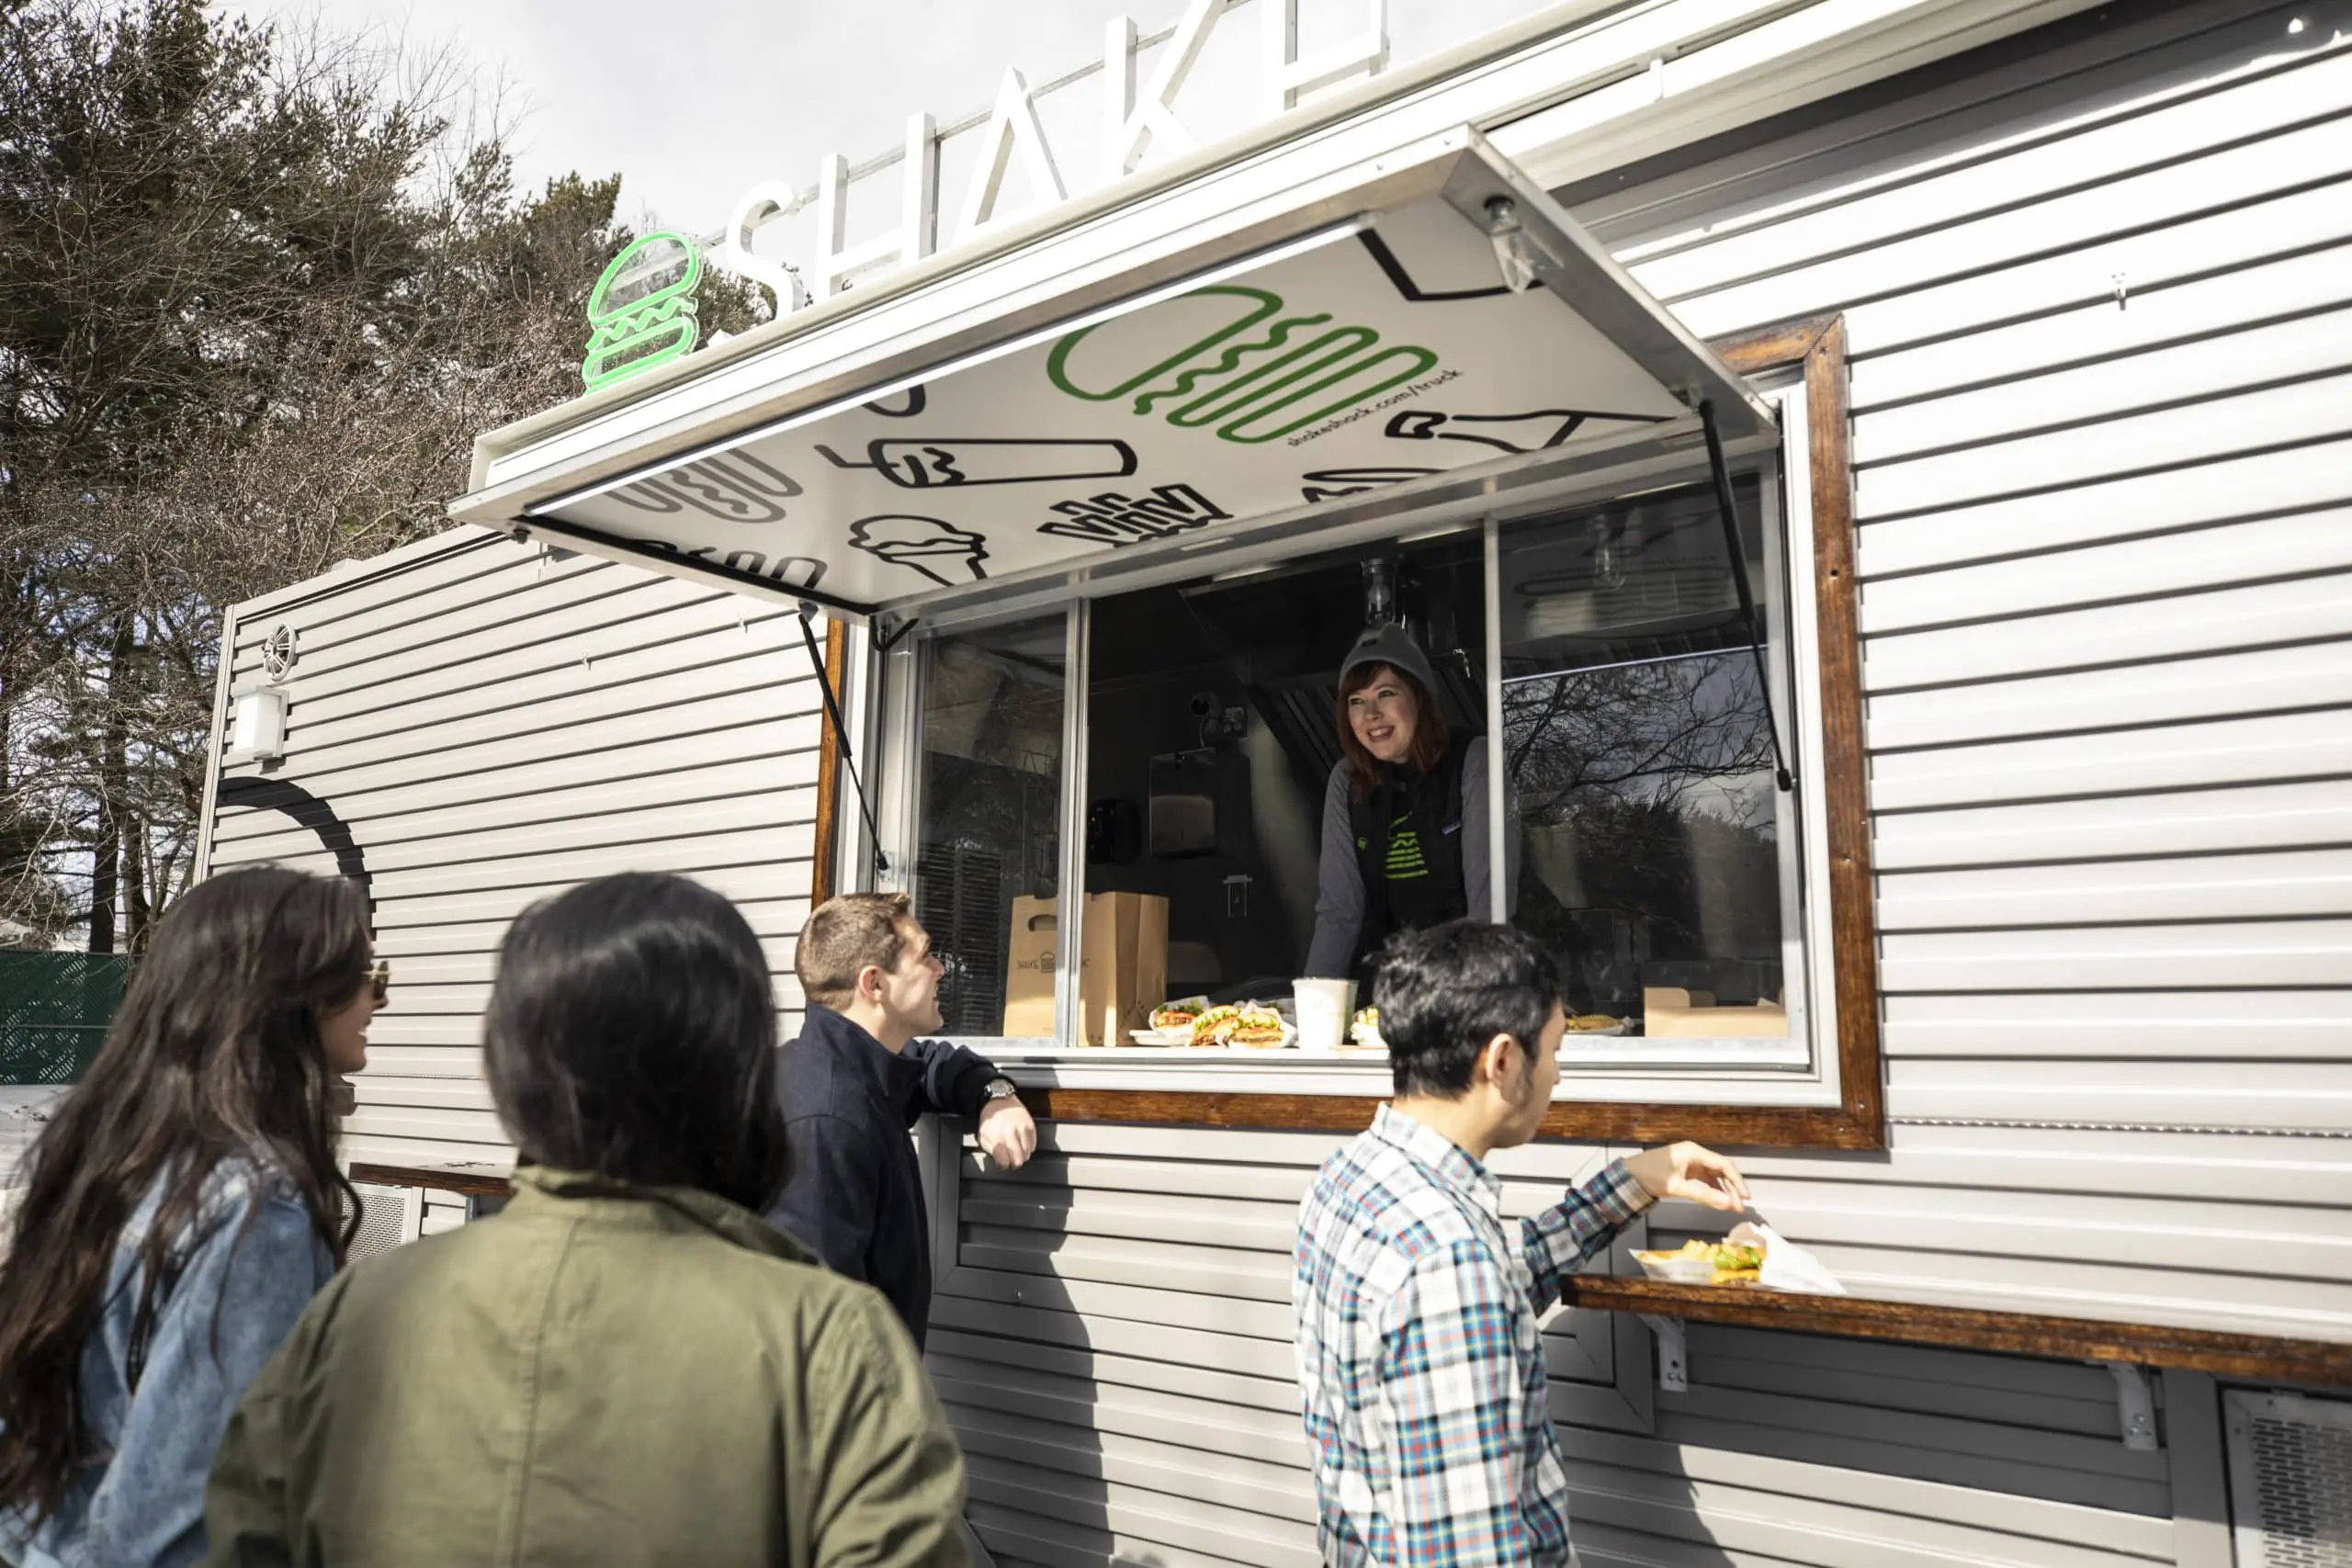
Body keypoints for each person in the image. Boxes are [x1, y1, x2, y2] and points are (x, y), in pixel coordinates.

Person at [202, 873, 968, 1566]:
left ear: (511, 1074)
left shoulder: (348, 1317)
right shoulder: (829, 1343)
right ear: (736, 1074)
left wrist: (979, 1084)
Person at [1294, 919, 1749, 1567]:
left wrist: (1637, 1178)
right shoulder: (1448, 1261)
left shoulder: (1349, 1181)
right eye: (1556, 1048)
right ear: (1503, 1060)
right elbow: (1471, 1553)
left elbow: (1503, 1276)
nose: (1559, 1074)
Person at [0, 866, 379, 1568]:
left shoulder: (110, 1156)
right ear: (292, 994)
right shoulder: (258, 1208)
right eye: (365, 973)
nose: (377, 999)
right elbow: (182, 1519)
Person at [767, 891, 1038, 1351]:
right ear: (874, 985)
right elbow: (816, 1336)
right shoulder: (826, 1121)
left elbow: (926, 1064)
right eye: (927, 956)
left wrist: (992, 1095)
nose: (941, 969)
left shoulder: (853, 1072)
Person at [1305, 625, 1511, 988]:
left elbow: (1490, 902)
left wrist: (1480, 1001)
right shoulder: (1347, 781)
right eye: (1356, 700)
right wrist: (1315, 1004)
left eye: (1386, 693)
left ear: (1419, 697)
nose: (1370, 713)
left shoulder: (1474, 759)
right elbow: (1340, 911)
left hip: (1481, 976)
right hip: (1399, 987)